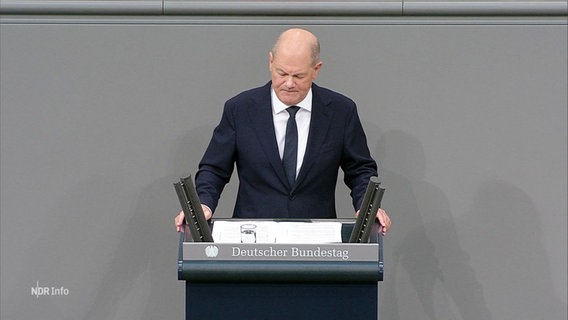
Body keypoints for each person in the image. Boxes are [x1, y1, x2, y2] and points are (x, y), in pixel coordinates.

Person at [175, 28, 391, 235]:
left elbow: (360, 169)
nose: (288, 83)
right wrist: (202, 205)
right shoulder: (240, 109)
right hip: (252, 241)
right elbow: (214, 169)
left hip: (318, 241)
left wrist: (367, 207)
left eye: (298, 76)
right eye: (282, 73)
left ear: (316, 69)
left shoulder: (340, 111)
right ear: (270, 62)